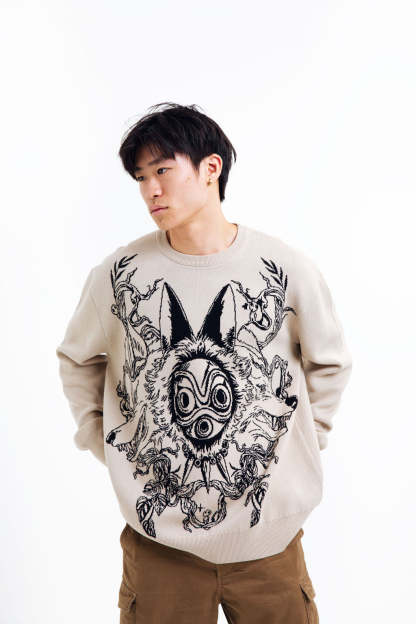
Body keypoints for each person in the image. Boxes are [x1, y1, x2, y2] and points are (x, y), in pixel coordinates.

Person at [56, 102, 352, 623]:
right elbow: (77, 358)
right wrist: (105, 438)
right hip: (159, 547)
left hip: (270, 546)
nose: (151, 190)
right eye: (141, 178)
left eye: (162, 170)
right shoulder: (120, 275)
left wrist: (300, 441)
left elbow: (329, 363)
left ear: (211, 168)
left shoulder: (284, 268)